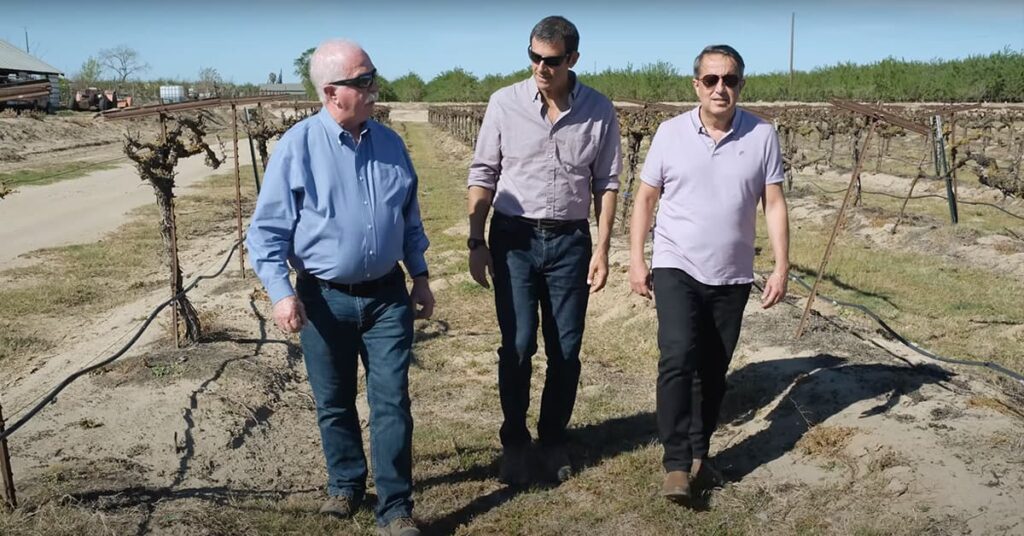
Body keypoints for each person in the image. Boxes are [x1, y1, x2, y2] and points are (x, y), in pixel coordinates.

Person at [246, 38, 433, 536]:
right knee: (334, 400)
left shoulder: (391, 144)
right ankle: (346, 482)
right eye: (364, 80)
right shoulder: (297, 147)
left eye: (373, 77)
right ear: (333, 93)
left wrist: (420, 276)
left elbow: (409, 218)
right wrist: (281, 293)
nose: (375, 88)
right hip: (322, 298)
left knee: (391, 398)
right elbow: (265, 234)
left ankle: (395, 507)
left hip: (387, 295)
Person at [628, 44, 790, 503]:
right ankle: (676, 463)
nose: (722, 88)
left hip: (733, 272)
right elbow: (644, 199)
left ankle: (701, 453)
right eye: (712, 80)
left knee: (714, 368)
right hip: (676, 262)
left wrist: (781, 265)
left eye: (730, 80)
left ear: (741, 84)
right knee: (677, 355)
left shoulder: (762, 135)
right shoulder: (670, 133)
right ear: (696, 85)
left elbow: (773, 202)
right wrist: (637, 258)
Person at [467, 15, 622, 485]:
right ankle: (514, 440)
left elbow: (607, 182)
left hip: (570, 242)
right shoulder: (504, 103)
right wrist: (476, 239)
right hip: (513, 238)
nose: (540, 67)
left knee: (566, 347)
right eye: (533, 57)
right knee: (516, 346)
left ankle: (553, 436)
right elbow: (483, 172)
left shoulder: (599, 110)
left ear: (572, 59)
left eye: (551, 60)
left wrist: (602, 248)